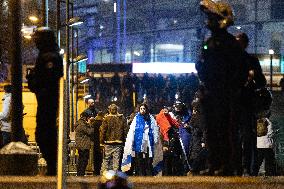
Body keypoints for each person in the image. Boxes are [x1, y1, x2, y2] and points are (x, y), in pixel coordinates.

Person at [196, 0, 248, 175]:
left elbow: (239, 70)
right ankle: (215, 164)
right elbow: (204, 67)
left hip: (225, 94)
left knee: (225, 129)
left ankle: (227, 165)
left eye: (212, 17)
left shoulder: (230, 44)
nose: (208, 21)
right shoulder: (210, 42)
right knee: (211, 130)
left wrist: (232, 89)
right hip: (211, 92)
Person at [26, 27, 63, 175]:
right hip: (46, 100)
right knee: (43, 133)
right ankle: (52, 166)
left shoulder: (49, 57)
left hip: (47, 101)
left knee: (44, 133)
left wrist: (35, 82)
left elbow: (48, 81)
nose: (35, 42)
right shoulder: (47, 54)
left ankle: (53, 166)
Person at [236, 32, 267, 176]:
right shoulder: (230, 60)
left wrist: (253, 77)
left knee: (248, 136)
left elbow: (262, 82)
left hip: (246, 103)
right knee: (234, 136)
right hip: (233, 103)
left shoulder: (252, 60)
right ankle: (237, 166)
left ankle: (246, 167)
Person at [121, 104, 163, 176]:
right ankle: (141, 174)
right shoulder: (136, 118)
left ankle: (149, 174)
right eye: (141, 108)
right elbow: (132, 130)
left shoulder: (151, 118)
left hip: (148, 142)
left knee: (149, 160)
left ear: (146, 109)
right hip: (138, 142)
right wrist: (131, 141)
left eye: (144, 108)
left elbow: (155, 129)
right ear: (139, 109)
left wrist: (155, 140)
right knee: (139, 160)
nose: (143, 110)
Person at [156, 106, 184, 176]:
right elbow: (163, 131)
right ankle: (167, 174)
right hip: (165, 140)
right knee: (166, 158)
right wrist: (164, 144)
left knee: (171, 157)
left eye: (167, 109)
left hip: (170, 140)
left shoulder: (169, 118)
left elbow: (176, 124)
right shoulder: (160, 117)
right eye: (164, 109)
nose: (166, 111)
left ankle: (170, 174)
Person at [100, 104, 128, 173]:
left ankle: (103, 174)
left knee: (106, 159)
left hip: (108, 142)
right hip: (119, 142)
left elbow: (103, 131)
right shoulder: (122, 118)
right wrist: (125, 141)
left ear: (109, 110)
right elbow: (125, 130)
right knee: (116, 159)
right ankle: (115, 175)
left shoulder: (106, 118)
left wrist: (101, 142)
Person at [75, 112, 94, 176]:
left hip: (80, 145)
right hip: (84, 145)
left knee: (81, 160)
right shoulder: (82, 124)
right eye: (88, 117)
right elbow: (90, 132)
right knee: (84, 161)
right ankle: (81, 174)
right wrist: (90, 124)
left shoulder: (79, 123)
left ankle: (79, 174)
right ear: (85, 117)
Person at [93, 111, 105, 175]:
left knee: (95, 158)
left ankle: (95, 171)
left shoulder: (94, 123)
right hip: (101, 142)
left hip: (95, 143)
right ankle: (100, 171)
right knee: (101, 158)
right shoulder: (102, 123)